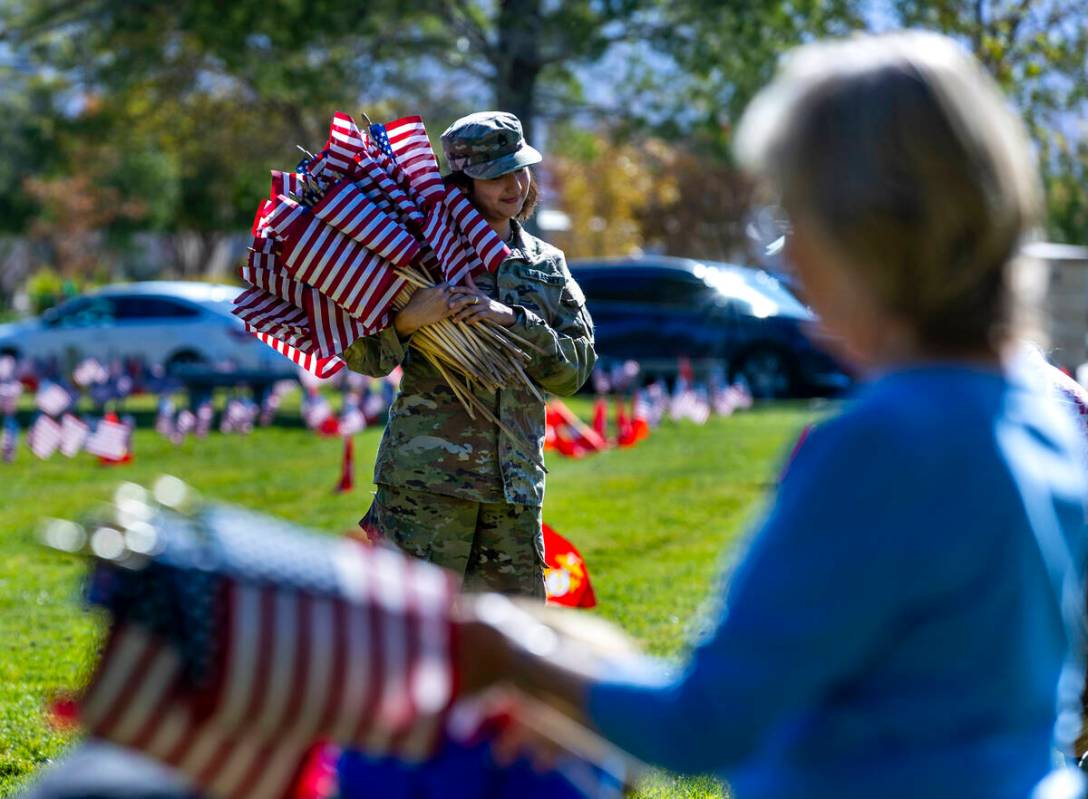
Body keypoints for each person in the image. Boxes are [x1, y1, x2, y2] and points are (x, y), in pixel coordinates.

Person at [459, 31, 1088, 799]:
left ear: (866, 235)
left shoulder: (883, 446)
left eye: (798, 220)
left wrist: (506, 648)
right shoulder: (1045, 416)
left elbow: (705, 723)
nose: (790, 264)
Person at [343, 111, 596, 599]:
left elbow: (575, 370)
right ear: (462, 182)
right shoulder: (420, 255)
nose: (513, 185)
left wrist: (514, 320)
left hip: (514, 488)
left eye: (519, 169)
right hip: (427, 485)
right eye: (495, 175)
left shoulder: (546, 265)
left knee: (515, 646)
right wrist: (409, 319)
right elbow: (365, 359)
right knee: (414, 640)